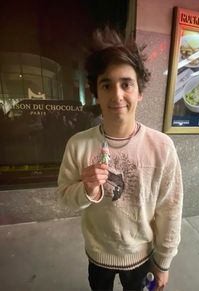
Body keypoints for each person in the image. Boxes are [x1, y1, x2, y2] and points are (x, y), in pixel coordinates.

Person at [56, 27, 183, 291]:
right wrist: (87, 189)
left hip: (141, 257)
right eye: (106, 85)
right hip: (97, 254)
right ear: (96, 93)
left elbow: (170, 210)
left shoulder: (162, 148)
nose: (117, 95)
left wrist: (163, 262)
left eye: (126, 84)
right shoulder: (78, 145)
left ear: (139, 92)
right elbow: (64, 197)